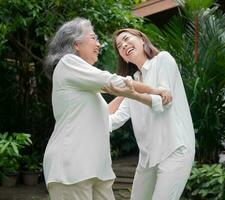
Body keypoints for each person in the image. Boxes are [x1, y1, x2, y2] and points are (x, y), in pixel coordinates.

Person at [43, 18, 171, 200]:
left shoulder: (86, 86)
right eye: (93, 38)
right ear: (76, 44)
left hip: (98, 171)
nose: (99, 44)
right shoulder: (67, 63)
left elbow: (107, 116)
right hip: (71, 168)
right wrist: (154, 90)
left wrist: (132, 92)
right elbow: (112, 81)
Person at [107, 28, 196, 200]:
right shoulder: (134, 80)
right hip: (148, 158)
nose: (124, 45)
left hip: (175, 150)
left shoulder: (163, 60)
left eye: (126, 39)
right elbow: (116, 119)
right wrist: (84, 121)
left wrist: (130, 92)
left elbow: (164, 101)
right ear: (122, 57)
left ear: (141, 39)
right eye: (119, 46)